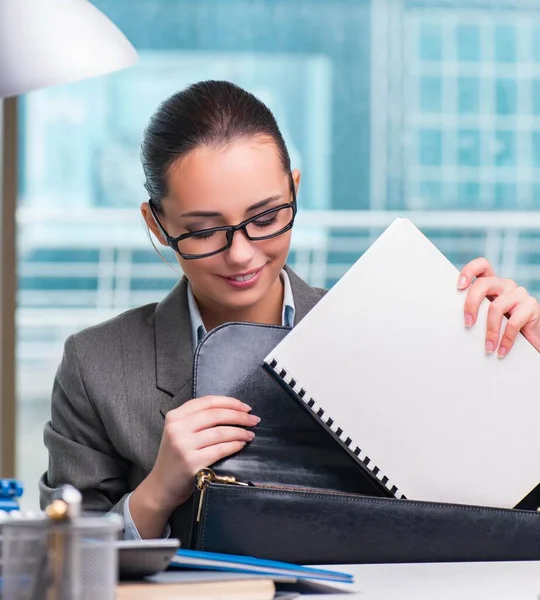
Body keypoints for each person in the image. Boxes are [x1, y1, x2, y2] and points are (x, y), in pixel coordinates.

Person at [39, 80, 540, 543]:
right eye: (203, 230)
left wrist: (526, 379)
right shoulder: (97, 366)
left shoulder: (396, 331)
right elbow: (63, 561)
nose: (241, 254)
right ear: (156, 223)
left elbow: (504, 520)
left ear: (294, 190)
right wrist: (156, 493)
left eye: (266, 217)